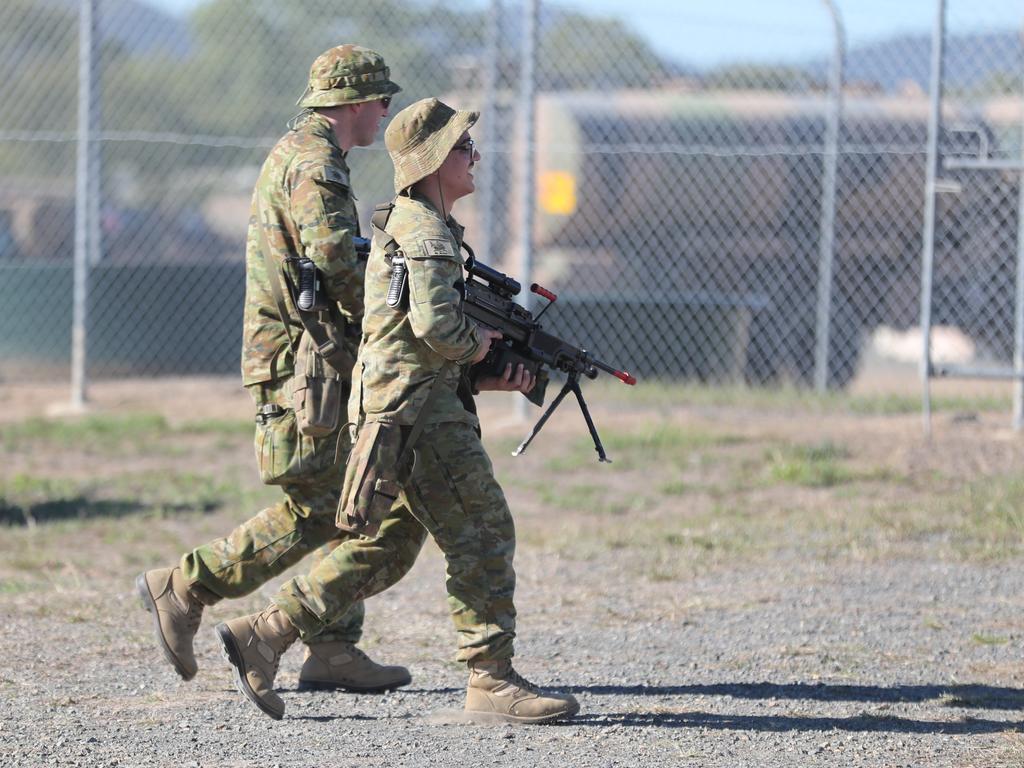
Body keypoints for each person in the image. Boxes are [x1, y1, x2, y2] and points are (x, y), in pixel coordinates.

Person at [215, 97, 580, 725]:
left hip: (401, 409)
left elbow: (409, 336)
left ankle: (265, 633)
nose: (476, 158)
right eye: (466, 148)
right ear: (437, 161)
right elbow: (440, 326)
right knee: (485, 530)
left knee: (389, 545)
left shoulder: (409, 224)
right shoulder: (429, 235)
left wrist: (487, 375)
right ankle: (490, 679)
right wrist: (480, 345)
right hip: (420, 417)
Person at [136, 44, 427, 696]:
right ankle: (186, 585)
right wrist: (397, 321)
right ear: (353, 101)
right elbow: (336, 265)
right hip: (305, 366)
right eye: (382, 99)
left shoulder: (306, 153)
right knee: (326, 507)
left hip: (310, 360)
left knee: (347, 498)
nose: (386, 112)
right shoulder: (315, 163)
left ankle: (330, 648)